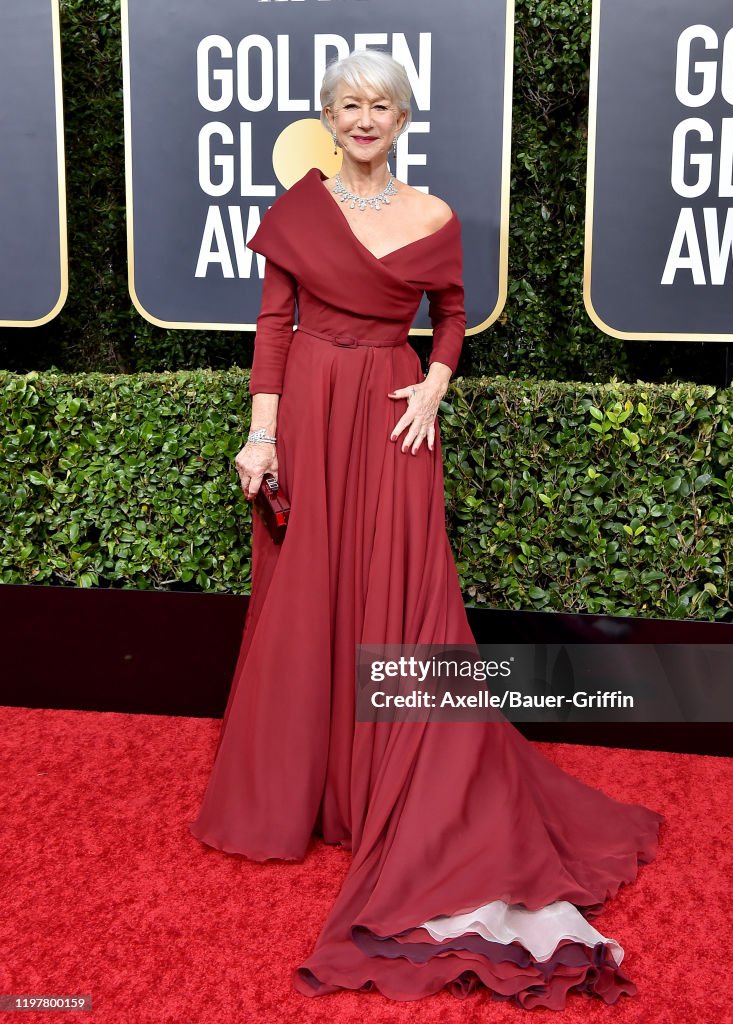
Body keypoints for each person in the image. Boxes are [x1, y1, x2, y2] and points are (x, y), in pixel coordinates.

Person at [188, 48, 665, 1010]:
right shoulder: (298, 213)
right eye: (349, 105)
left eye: (382, 105)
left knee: (403, 597)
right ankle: (317, 792)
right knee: (313, 590)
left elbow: (450, 316)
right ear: (329, 116)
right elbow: (273, 326)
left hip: (395, 414)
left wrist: (436, 385)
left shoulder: (436, 218)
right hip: (314, 409)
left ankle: (393, 790)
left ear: (405, 119)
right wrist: (262, 435)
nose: (365, 118)